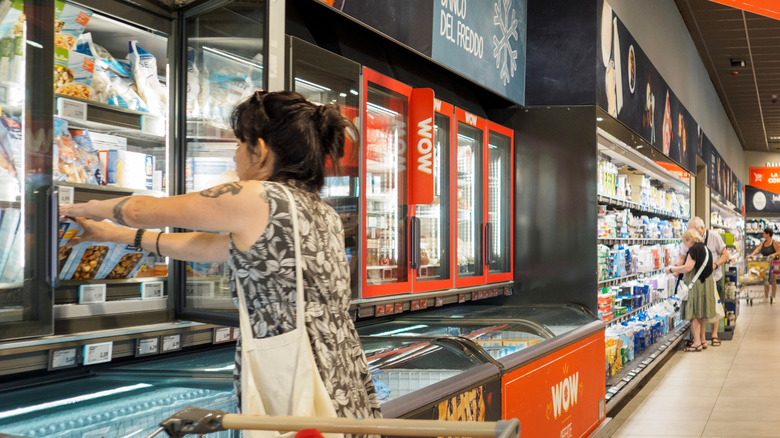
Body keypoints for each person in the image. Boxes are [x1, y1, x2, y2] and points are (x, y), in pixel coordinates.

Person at [60, 91, 383, 425]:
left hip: (298, 377)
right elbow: (206, 247)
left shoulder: (259, 196)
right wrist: (115, 235)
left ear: (261, 150)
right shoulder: (318, 209)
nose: (235, 155)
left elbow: (143, 210)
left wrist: (81, 206)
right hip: (338, 372)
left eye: (240, 143)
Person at [674, 217, 728, 347]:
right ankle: (702, 339)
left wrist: (715, 265)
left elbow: (725, 255)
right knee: (702, 310)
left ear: (702, 229)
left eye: (692, 231)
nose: (690, 234)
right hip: (698, 280)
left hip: (714, 277)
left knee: (714, 306)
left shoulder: (714, 236)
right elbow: (681, 258)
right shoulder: (690, 241)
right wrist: (675, 267)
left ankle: (714, 335)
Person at [665, 229, 715, 352]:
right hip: (705, 284)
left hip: (695, 285)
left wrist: (671, 269)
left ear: (690, 240)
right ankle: (702, 340)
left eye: (684, 241)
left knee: (693, 314)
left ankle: (696, 342)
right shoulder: (705, 249)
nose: (684, 245)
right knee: (701, 314)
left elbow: (688, 268)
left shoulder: (693, 250)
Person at [749, 227, 780, 302]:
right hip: (765, 263)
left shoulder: (774, 242)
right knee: (765, 279)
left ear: (768, 234)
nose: (762, 234)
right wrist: (752, 254)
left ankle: (773, 296)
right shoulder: (763, 242)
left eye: (764, 233)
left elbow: (779, 252)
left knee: (773, 279)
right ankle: (766, 297)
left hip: (773, 263)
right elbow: (758, 249)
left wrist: (774, 254)